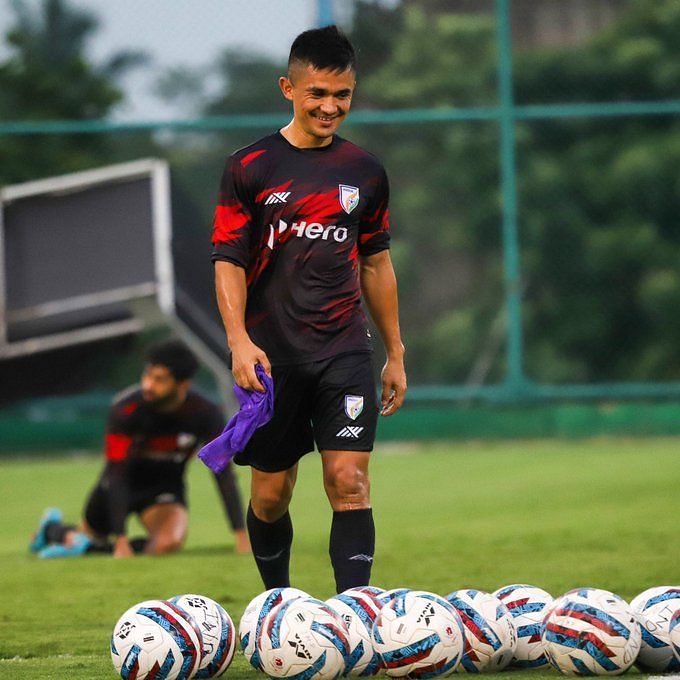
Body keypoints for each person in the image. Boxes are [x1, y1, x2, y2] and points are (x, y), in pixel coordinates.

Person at [211, 25, 407, 593]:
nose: (330, 107)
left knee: (349, 479)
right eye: (317, 93)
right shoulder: (249, 166)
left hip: (344, 348)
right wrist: (238, 342)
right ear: (288, 89)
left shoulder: (365, 172)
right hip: (270, 357)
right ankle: (278, 606)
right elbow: (228, 260)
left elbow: (375, 264)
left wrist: (394, 351)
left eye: (341, 95)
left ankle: (356, 616)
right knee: (271, 496)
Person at [29, 339, 250, 558]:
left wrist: (240, 534)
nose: (148, 385)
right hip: (118, 486)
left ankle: (84, 548)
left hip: (165, 490)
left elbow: (222, 471)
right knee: (90, 535)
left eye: (159, 379)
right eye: (147, 376)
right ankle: (51, 530)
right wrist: (121, 539)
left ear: (182, 385)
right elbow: (116, 472)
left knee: (167, 544)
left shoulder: (205, 413)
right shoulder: (125, 410)